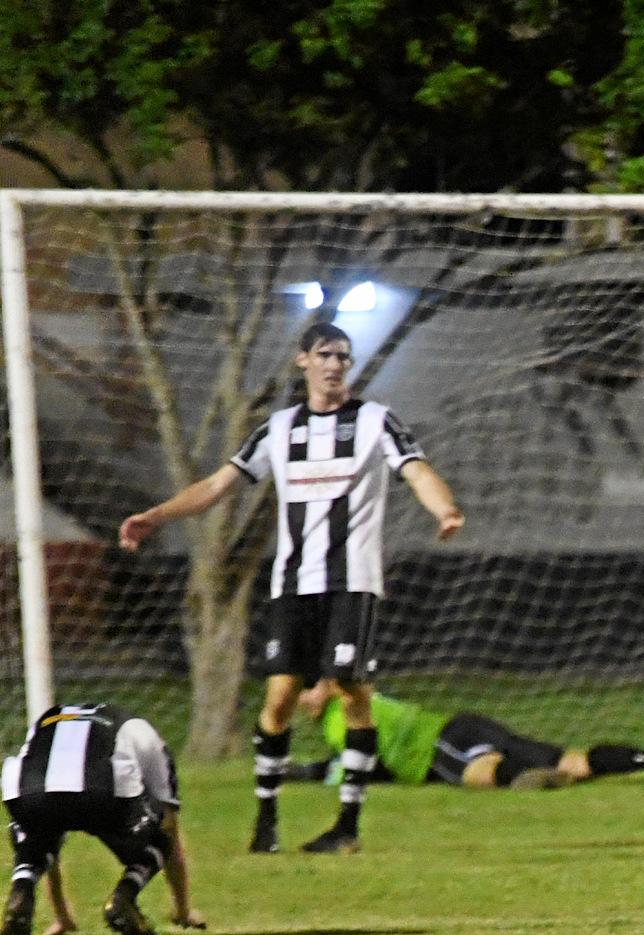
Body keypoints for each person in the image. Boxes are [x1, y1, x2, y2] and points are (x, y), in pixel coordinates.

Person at [120, 320, 464, 853]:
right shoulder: (279, 429)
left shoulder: (375, 421)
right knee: (280, 695)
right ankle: (266, 820)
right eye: (325, 355)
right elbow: (217, 485)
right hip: (292, 584)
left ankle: (347, 825)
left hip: (353, 581)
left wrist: (443, 508)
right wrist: (155, 517)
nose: (334, 365)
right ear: (302, 361)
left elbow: (417, 470)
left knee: (351, 689)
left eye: (343, 357)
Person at [4, 703, 202, 935]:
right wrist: (183, 909)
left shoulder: (48, 719)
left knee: (37, 837)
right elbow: (169, 825)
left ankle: (21, 889)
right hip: (101, 791)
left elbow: (50, 830)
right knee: (160, 838)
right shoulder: (147, 736)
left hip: (28, 792)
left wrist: (62, 916)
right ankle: (123, 898)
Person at [290, 684, 644, 790]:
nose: (301, 697)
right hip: (468, 723)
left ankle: (528, 777)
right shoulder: (364, 691)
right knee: (576, 762)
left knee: (482, 773)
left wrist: (303, 773)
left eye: (305, 688)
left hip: (443, 743)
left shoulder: (337, 718)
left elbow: (358, 767)